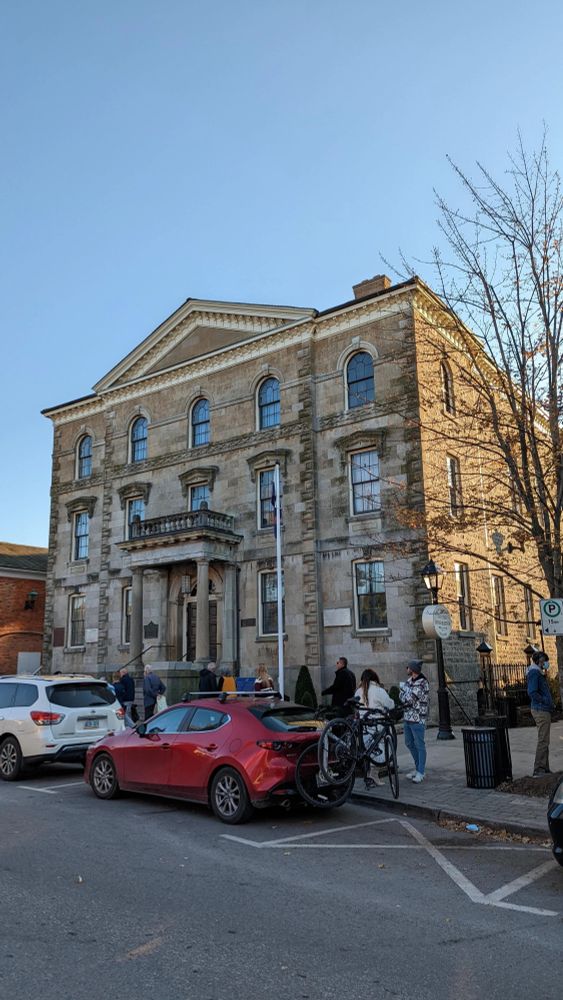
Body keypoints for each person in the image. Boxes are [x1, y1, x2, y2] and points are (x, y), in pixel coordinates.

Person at [356, 668, 395, 787]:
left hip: (363, 726)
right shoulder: (379, 690)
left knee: (367, 750)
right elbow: (390, 704)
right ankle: (373, 774)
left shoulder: (358, 691)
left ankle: (369, 776)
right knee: (381, 751)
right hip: (377, 725)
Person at [400, 659, 429, 783]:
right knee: (409, 743)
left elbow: (410, 698)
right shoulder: (408, 681)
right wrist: (405, 695)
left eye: (408, 667)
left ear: (412, 670)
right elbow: (401, 696)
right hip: (407, 717)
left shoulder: (422, 682)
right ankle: (418, 768)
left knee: (420, 745)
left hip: (418, 718)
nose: (406, 669)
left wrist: (405, 694)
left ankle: (421, 772)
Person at [527, 650, 554, 776]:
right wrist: (545, 701)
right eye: (544, 661)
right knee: (543, 740)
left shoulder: (537, 672)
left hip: (543, 709)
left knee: (545, 740)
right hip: (540, 710)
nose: (545, 663)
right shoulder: (534, 673)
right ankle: (538, 769)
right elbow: (532, 692)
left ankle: (544, 768)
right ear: (538, 661)